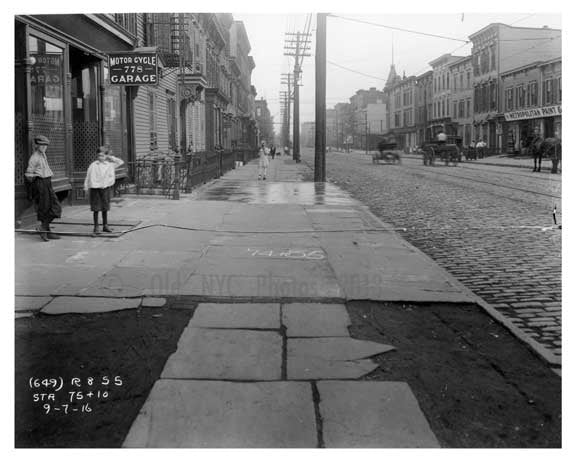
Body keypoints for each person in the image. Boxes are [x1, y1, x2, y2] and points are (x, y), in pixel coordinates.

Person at [25, 135, 62, 241]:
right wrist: (37, 185)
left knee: (55, 207)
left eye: (45, 145)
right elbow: (28, 174)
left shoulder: (43, 154)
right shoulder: (34, 157)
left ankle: (45, 229)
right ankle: (44, 229)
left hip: (47, 182)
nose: (44, 147)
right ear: (37, 145)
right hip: (41, 183)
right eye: (42, 145)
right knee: (45, 207)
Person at [84, 146, 124, 234]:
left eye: (102, 156)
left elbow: (120, 162)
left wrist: (110, 157)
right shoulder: (93, 165)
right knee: (96, 208)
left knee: (105, 207)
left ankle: (105, 225)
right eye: (98, 156)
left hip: (105, 188)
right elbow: (88, 176)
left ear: (106, 156)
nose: (100, 158)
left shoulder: (110, 165)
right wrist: (86, 187)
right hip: (95, 188)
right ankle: (96, 226)